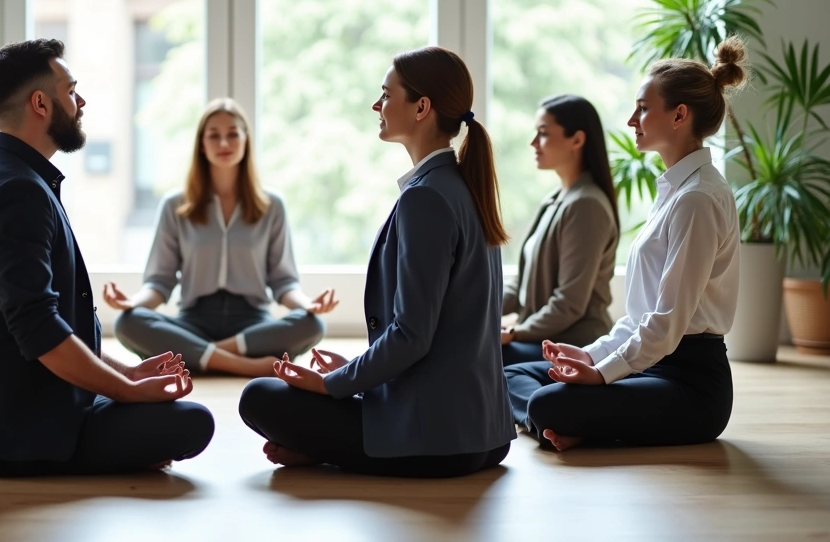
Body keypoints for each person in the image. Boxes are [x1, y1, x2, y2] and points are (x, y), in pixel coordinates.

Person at [237, 46, 516, 477]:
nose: (377, 105)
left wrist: (332, 384)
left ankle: (329, 449)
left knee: (259, 397)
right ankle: (326, 447)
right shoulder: (462, 186)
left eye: (386, 94)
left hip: (435, 441)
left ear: (422, 107)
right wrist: (353, 374)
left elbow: (410, 336)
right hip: (485, 435)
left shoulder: (425, 197)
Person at [0, 39, 215, 476]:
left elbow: (46, 330)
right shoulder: (18, 191)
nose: (80, 100)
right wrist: (128, 390)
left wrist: (127, 372)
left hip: (4, 421)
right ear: (40, 103)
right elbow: (39, 330)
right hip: (15, 435)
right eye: (70, 90)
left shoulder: (2, 176)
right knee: (192, 422)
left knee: (171, 413)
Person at [503, 37, 746, 451]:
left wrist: (600, 373)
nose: (632, 119)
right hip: (648, 363)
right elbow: (640, 317)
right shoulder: (674, 191)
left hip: (689, 385)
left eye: (643, 108)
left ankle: (570, 425)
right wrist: (591, 356)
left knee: (546, 403)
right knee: (511, 375)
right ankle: (578, 428)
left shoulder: (698, 200)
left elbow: (666, 325)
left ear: (679, 115)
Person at [106, 98, 336, 377]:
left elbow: (283, 282)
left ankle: (200, 355)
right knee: (129, 323)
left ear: (246, 140)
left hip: (253, 326)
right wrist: (132, 303)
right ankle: (242, 365)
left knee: (312, 324)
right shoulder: (175, 205)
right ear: (201, 144)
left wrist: (308, 304)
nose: (224, 143)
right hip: (193, 320)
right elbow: (160, 282)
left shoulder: (272, 205)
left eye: (232, 134)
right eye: (214, 135)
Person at [500, 95, 619, 365]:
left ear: (577, 140)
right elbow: (523, 283)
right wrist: (481, 307)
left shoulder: (586, 205)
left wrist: (515, 332)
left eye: (542, 133)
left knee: (478, 358)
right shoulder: (556, 198)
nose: (533, 143)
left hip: (574, 344)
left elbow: (569, 303)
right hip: (548, 338)